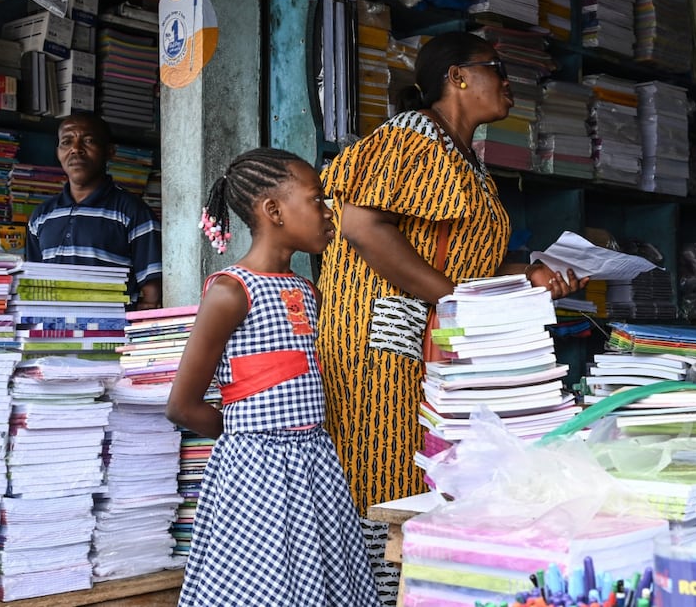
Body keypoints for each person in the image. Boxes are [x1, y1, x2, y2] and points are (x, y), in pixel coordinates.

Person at [316, 31, 588, 601]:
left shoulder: (466, 160)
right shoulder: (411, 136)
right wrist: (453, 299)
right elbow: (362, 224)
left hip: (436, 341)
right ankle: (383, 595)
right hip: (385, 341)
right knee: (387, 472)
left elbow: (467, 255)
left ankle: (425, 590)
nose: (510, 83)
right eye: (498, 69)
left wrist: (530, 273)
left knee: (433, 474)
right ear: (458, 77)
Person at [166, 148, 377, 606]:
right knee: (265, 587)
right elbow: (181, 405)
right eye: (317, 200)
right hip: (255, 473)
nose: (328, 213)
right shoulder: (230, 291)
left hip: (316, 466)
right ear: (274, 210)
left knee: (319, 581)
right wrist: (247, 433)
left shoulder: (307, 290)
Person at [25, 112, 162, 309]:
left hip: (110, 334)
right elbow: (34, 285)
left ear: (109, 151)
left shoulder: (133, 212)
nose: (75, 149)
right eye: (66, 141)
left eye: (88, 140)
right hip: (52, 333)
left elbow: (151, 298)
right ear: (58, 152)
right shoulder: (42, 216)